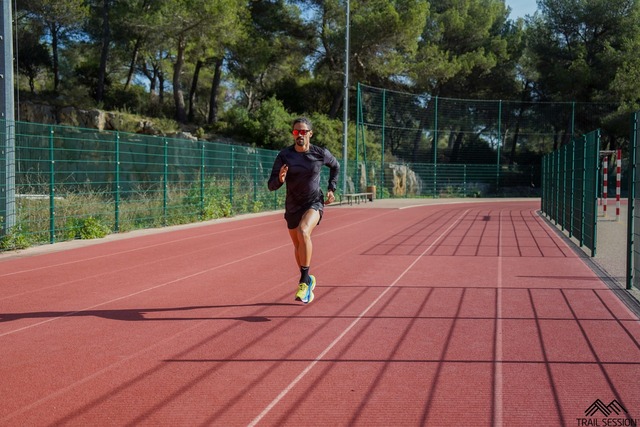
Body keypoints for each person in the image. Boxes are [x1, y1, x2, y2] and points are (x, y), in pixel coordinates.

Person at [268, 117, 340, 304]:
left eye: (303, 131)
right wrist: (280, 180)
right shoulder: (284, 155)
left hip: (314, 202)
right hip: (292, 206)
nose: (299, 135)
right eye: (296, 132)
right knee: (298, 246)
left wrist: (332, 188)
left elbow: (335, 166)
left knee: (303, 231)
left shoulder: (320, 153)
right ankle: (308, 278)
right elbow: (271, 185)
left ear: (310, 134)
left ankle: (303, 282)